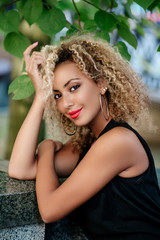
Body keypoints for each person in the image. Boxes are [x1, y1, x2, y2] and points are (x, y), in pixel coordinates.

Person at [8, 34, 160, 240]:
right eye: (57, 95)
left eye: (74, 87)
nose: (66, 103)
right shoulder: (88, 144)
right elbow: (20, 168)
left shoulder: (119, 141)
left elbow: (50, 210)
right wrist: (41, 97)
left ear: (101, 83)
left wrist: (44, 148)